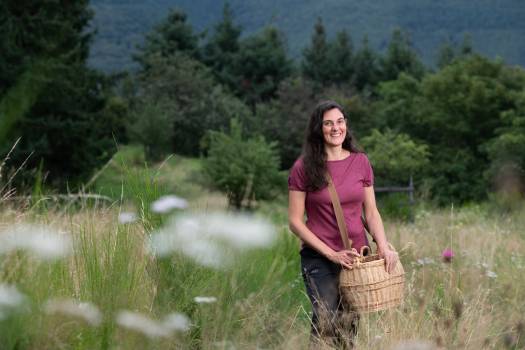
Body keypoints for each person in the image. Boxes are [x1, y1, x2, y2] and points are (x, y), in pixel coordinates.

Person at [288, 100, 399, 348]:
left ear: (346, 125)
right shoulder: (303, 167)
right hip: (319, 257)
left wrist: (383, 246)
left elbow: (371, 212)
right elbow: (295, 221)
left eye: (339, 122)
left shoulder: (360, 162)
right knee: (325, 318)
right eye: (328, 123)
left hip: (356, 258)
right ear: (319, 129)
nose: (335, 128)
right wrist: (331, 253)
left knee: (349, 327)